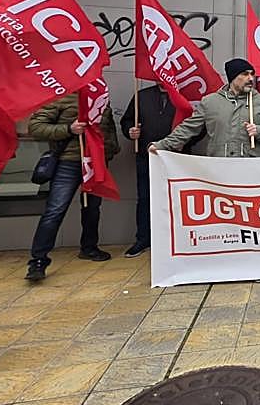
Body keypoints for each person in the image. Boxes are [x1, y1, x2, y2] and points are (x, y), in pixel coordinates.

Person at [26, 91, 120, 281]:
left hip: (95, 162)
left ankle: (89, 247)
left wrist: (110, 150)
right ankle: (38, 260)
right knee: (55, 210)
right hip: (68, 162)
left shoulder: (100, 96)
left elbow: (108, 127)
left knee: (92, 208)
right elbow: (36, 127)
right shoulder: (60, 96)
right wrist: (69, 129)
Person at [151, 59, 260, 158]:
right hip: (218, 168)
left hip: (251, 167)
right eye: (245, 74)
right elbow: (189, 128)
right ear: (232, 77)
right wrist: (162, 145)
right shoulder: (210, 102)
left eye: (252, 74)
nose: (251, 78)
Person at [120, 84, 178, 259]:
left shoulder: (184, 95)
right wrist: (130, 132)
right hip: (146, 156)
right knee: (145, 198)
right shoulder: (141, 96)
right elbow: (127, 121)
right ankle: (143, 239)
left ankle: (174, 239)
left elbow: (198, 127)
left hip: (176, 158)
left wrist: (184, 143)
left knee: (175, 200)